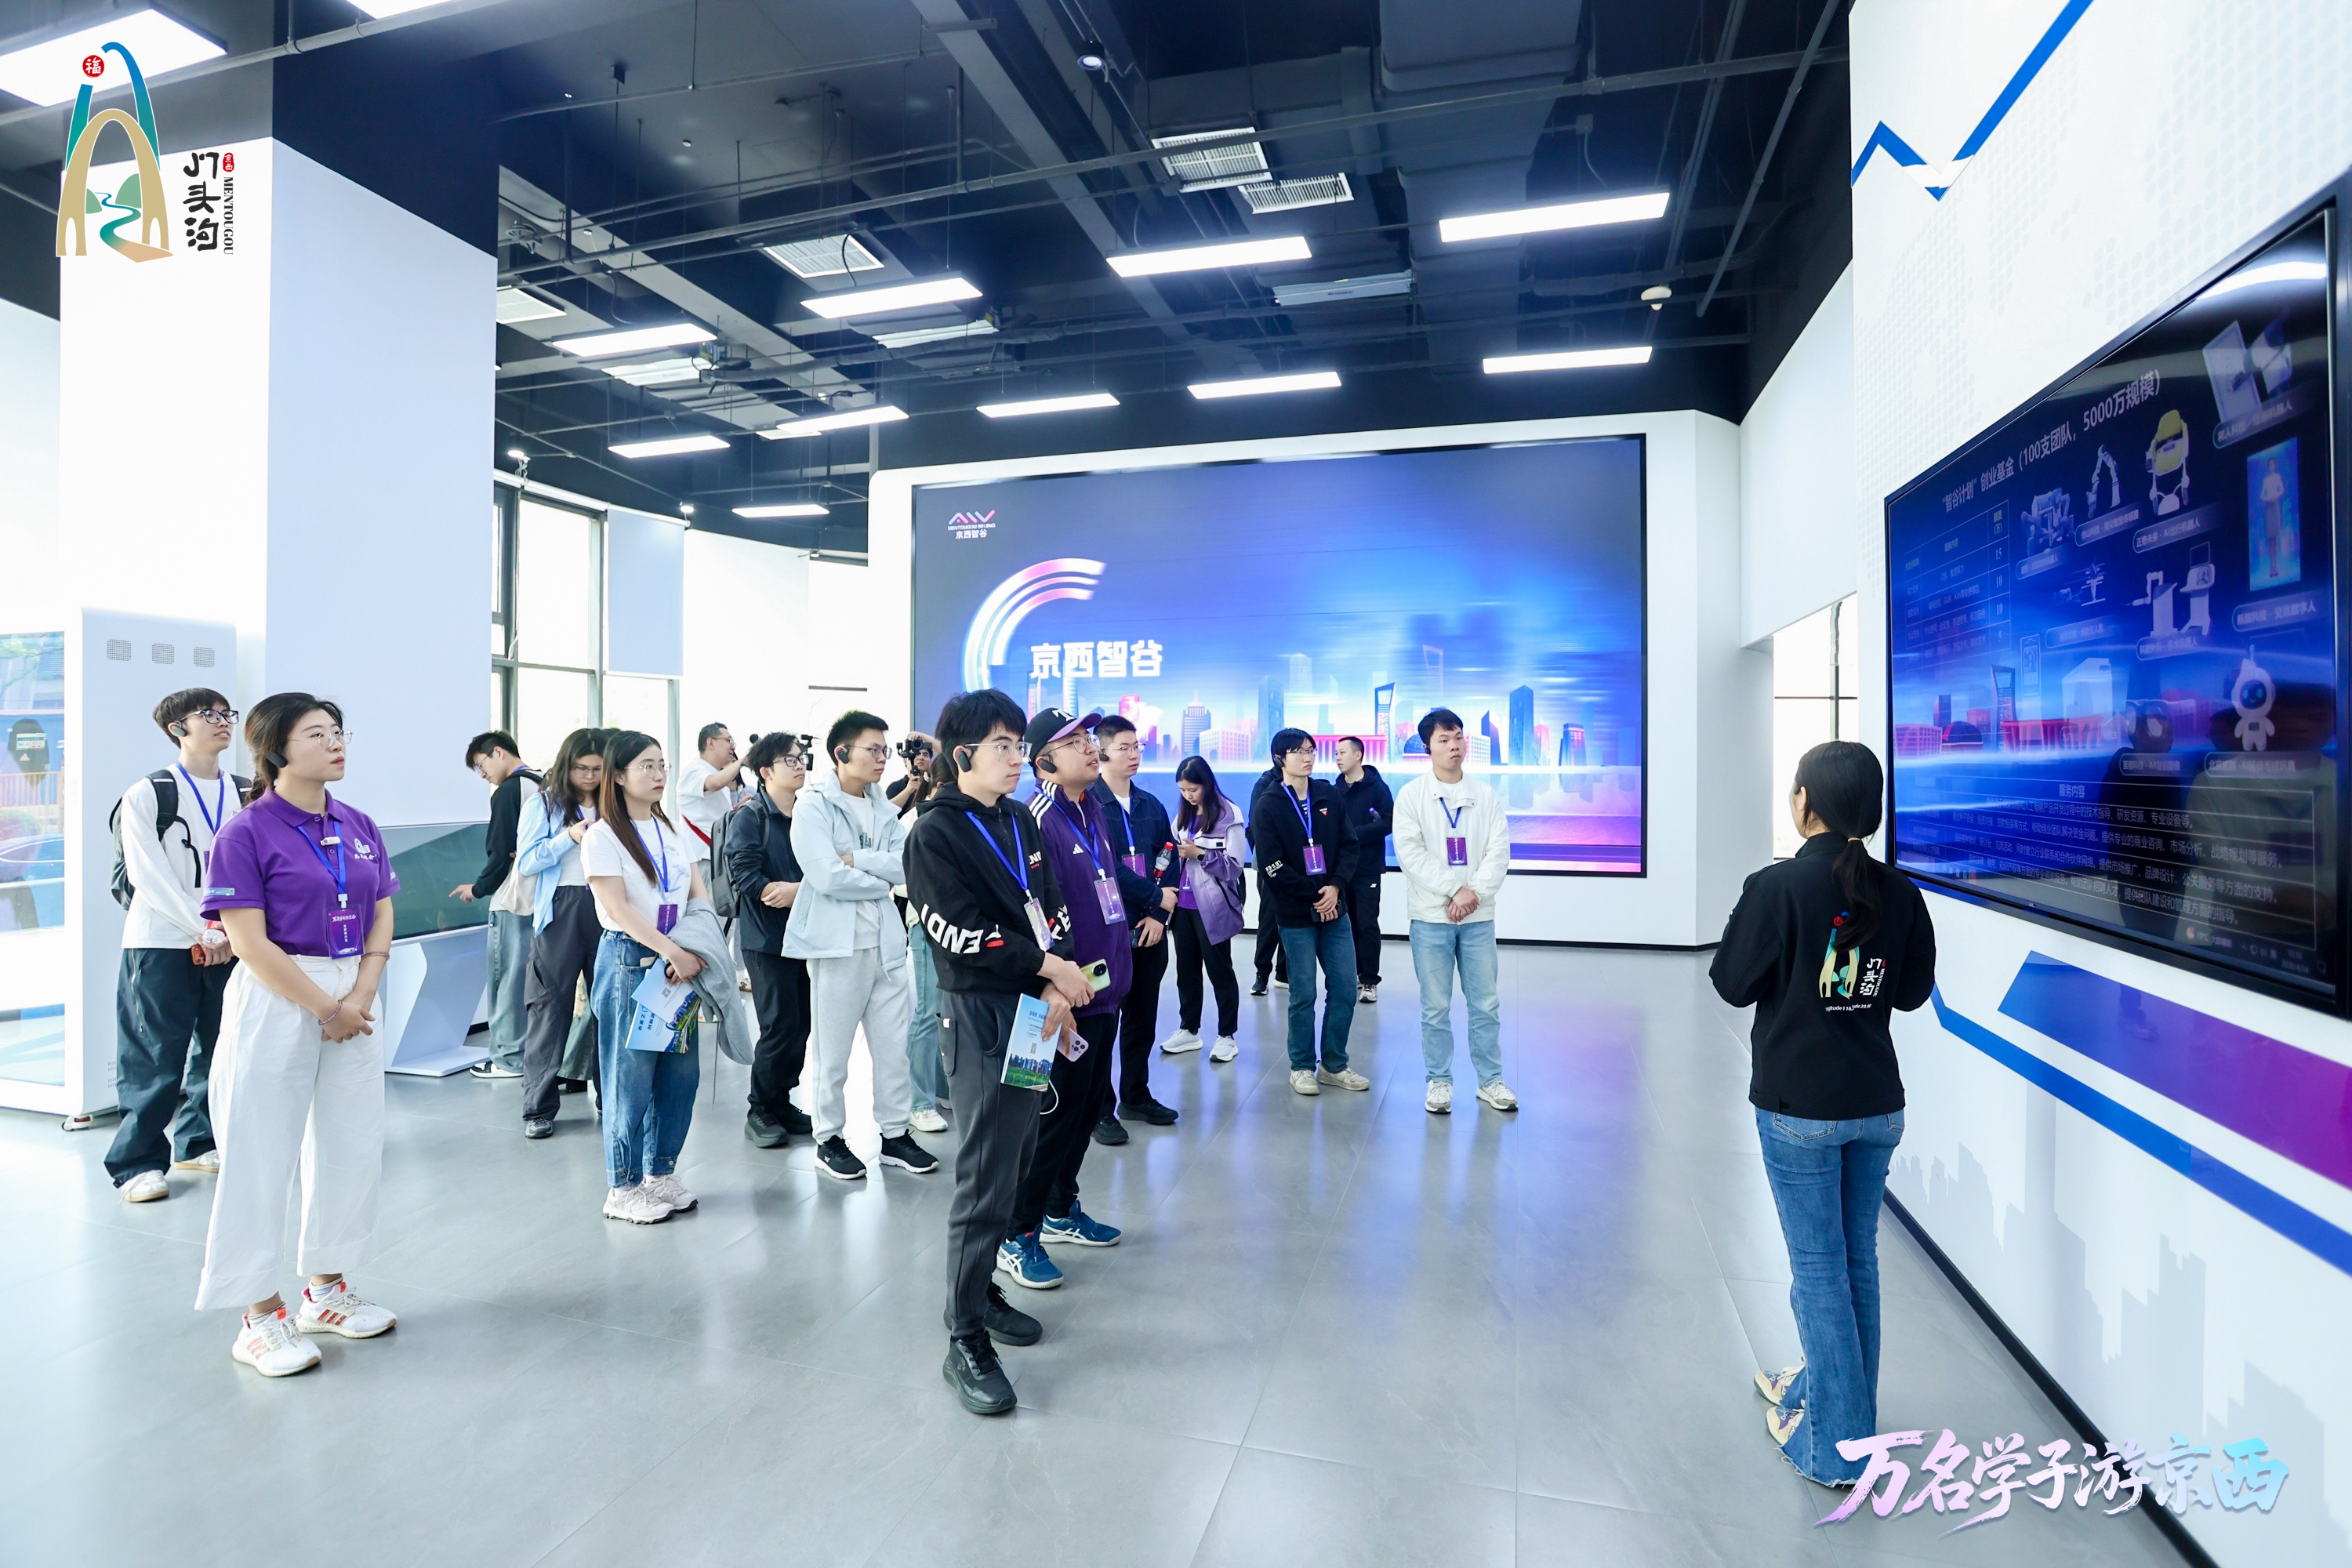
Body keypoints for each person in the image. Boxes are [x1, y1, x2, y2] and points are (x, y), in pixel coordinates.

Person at [1709, 740, 1936, 1487]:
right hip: (1877, 1104)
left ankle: (1836, 1445)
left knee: (1818, 1270)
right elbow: (1910, 994)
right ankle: (1826, 1394)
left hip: (1799, 1108)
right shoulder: (1901, 893)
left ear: (1804, 802)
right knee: (1854, 1262)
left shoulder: (1777, 887)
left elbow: (1731, 983)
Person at [195, 695, 400, 1378]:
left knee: (351, 1143)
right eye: (317, 733)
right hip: (281, 993)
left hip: (354, 991)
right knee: (259, 1150)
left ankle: (326, 1292)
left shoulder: (357, 822)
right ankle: (259, 1316)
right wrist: (325, 1007)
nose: (336, 743)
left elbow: (382, 910)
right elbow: (249, 943)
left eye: (338, 731)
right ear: (276, 750)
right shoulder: (245, 833)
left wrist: (360, 995)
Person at [902, 689, 1091, 1415]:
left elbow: (1052, 906)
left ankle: (981, 1289)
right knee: (984, 1173)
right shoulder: (935, 834)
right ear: (962, 756)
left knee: (1018, 1154)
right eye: (1003, 746)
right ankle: (964, 1338)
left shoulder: (1018, 819)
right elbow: (959, 934)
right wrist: (1048, 969)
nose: (1018, 758)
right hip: (982, 1015)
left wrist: (1053, 983)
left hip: (1033, 1011)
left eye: (1020, 745)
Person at [998, 707, 1129, 1289]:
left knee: (1081, 1115)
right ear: (1044, 762)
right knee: (1045, 1122)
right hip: (1056, 1001)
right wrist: (1053, 986)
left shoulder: (1092, 807)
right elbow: (1031, 915)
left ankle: (1058, 1209)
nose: (1091, 747)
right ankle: (1016, 1232)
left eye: (1089, 738)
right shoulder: (1036, 818)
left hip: (1100, 993)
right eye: (1075, 742)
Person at [785, 711, 938, 1181]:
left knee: (893, 1049)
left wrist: (858, 861)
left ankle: (895, 1134)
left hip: (885, 944)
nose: (882, 759)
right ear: (841, 753)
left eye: (885, 751)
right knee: (832, 1052)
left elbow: (908, 866)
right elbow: (825, 875)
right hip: (837, 947)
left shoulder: (883, 806)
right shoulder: (813, 806)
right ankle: (829, 1138)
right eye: (873, 750)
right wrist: (878, 878)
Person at [106, 688, 243, 1203]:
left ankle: (197, 1140)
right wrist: (203, 928)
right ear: (176, 728)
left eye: (226, 713)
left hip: (232, 940)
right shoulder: (148, 793)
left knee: (221, 1045)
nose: (222, 721)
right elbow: (149, 876)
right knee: (155, 1053)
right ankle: (136, 1164)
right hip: (162, 942)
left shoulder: (246, 791)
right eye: (208, 714)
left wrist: (228, 931)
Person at [582, 731, 710, 1223]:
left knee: (680, 1076)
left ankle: (659, 1173)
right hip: (631, 960)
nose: (659, 775)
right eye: (646, 766)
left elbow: (697, 892)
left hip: (680, 960)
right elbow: (618, 908)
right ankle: (622, 1186)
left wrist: (691, 947)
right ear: (618, 775)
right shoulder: (602, 836)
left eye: (662, 765)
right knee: (629, 1077)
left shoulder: (670, 828)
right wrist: (671, 951)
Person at [1392, 709, 1515, 1115]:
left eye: (1458, 736)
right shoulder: (1411, 796)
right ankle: (1439, 1081)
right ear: (1428, 747)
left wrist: (1473, 893)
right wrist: (1454, 889)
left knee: (1486, 1004)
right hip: (1431, 916)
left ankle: (1490, 1081)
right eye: (1444, 739)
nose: (1454, 745)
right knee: (1436, 1007)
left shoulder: (1486, 795)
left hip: (1478, 916)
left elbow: (1499, 851)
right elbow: (1410, 854)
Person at [1247, 728, 1365, 1095]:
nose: (1307, 757)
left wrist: (1335, 887)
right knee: (1303, 994)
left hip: (1335, 908)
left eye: (1311, 750)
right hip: (1296, 913)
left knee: (1345, 988)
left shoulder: (1328, 794)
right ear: (1279, 758)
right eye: (1298, 751)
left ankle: (1334, 1065)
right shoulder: (1268, 803)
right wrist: (1315, 894)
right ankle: (1301, 1066)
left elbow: (1349, 845)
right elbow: (1271, 864)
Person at [1087, 713, 1181, 1142]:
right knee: (1102, 1023)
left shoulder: (1150, 805)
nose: (1134, 754)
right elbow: (1104, 867)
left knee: (1142, 1020)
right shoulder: (1089, 805)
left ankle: (1136, 1096)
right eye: (1123, 747)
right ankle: (1100, 1109)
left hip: (1150, 932)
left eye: (1137, 746)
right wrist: (1155, 898)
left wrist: (1159, 916)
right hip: (1108, 933)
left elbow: (1169, 856)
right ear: (1102, 752)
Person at [514, 728, 607, 1138]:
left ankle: (613, 1098)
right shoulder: (544, 804)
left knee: (609, 1007)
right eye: (581, 769)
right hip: (561, 908)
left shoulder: (615, 802)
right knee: (549, 1008)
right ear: (566, 765)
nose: (589, 777)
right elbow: (527, 861)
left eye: (598, 769)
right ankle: (538, 1108)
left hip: (609, 906)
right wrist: (568, 837)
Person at [727, 731, 813, 1149]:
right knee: (779, 1025)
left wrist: (799, 892)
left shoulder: (809, 813)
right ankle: (759, 1107)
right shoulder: (751, 815)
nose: (799, 766)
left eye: (800, 758)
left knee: (802, 1025)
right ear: (765, 772)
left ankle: (781, 1100)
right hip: (766, 939)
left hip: (807, 934)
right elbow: (744, 873)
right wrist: (772, 891)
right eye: (789, 760)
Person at [448, 731, 539, 1082]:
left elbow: (500, 853)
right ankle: (532, 1054)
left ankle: (507, 1058)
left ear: (498, 753)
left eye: (481, 764)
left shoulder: (508, 792)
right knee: (534, 981)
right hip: (545, 898)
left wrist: (478, 888)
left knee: (507, 980)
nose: (483, 774)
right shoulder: (544, 783)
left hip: (513, 899)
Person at [1163, 756, 1245, 1065]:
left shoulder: (1229, 815)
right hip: (1182, 906)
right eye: (1182, 790)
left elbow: (1234, 867)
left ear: (1207, 784)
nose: (1188, 795)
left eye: (1193, 789)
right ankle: (1189, 1029)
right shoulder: (1182, 816)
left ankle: (1227, 1035)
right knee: (1186, 971)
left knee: (1219, 971)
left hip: (1213, 907)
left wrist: (1199, 854)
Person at [898, 742, 953, 1136]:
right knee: (927, 1011)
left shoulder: (967, 819)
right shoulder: (915, 821)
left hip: (962, 929)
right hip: (926, 926)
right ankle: (917, 1101)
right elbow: (898, 881)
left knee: (948, 1011)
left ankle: (941, 1086)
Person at [1333, 735, 1394, 1004]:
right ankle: (1354, 974)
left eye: (1342, 752)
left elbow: (1389, 821)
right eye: (1336, 753)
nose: (1338, 757)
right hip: (1341, 870)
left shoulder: (1377, 788)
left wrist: (1355, 835)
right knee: (1346, 925)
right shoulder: (1335, 790)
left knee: (1367, 924)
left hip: (1367, 868)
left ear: (1358, 755)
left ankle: (1370, 980)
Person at [1246, 760, 1288, 996]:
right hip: (1270, 864)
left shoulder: (1304, 785)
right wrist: (1265, 859)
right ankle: (1262, 974)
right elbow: (1256, 827)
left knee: (1292, 919)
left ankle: (1284, 973)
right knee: (1269, 919)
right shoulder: (1265, 784)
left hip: (1296, 864)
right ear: (1280, 757)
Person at [675, 721, 746, 858]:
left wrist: (735, 811)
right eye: (728, 741)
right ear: (711, 743)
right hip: (705, 858)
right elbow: (715, 783)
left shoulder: (711, 772)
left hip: (717, 856)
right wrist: (742, 761)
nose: (732, 747)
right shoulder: (695, 770)